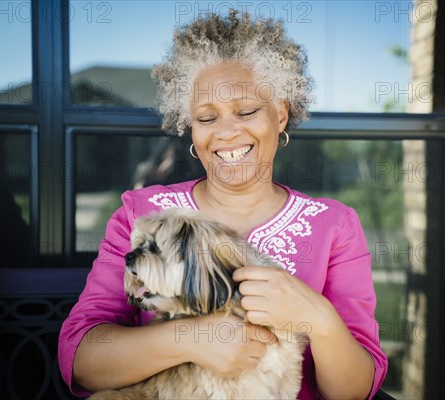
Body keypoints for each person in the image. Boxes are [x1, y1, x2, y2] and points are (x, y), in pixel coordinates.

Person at [58, 10, 387, 399]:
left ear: (280, 113)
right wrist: (190, 338)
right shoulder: (142, 214)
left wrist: (319, 319)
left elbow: (355, 391)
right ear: (191, 129)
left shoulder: (335, 226)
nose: (227, 132)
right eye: (206, 117)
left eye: (246, 111)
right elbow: (80, 361)